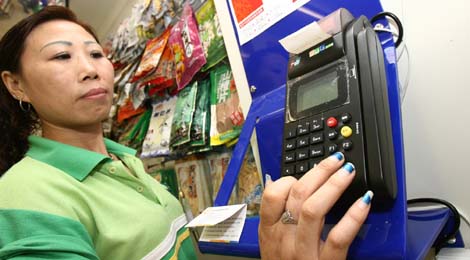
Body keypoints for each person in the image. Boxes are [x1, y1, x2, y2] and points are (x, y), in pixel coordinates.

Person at [0, 6, 371, 260]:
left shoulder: (127, 160)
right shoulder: (23, 195)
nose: (90, 70)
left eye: (96, 54)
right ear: (16, 85)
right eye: (61, 57)